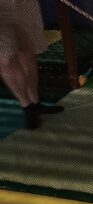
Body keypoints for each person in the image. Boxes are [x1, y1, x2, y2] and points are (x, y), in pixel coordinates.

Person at [0, 0, 63, 130]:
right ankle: (27, 106)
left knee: (28, 52)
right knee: (6, 59)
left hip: (24, 4)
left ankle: (35, 103)